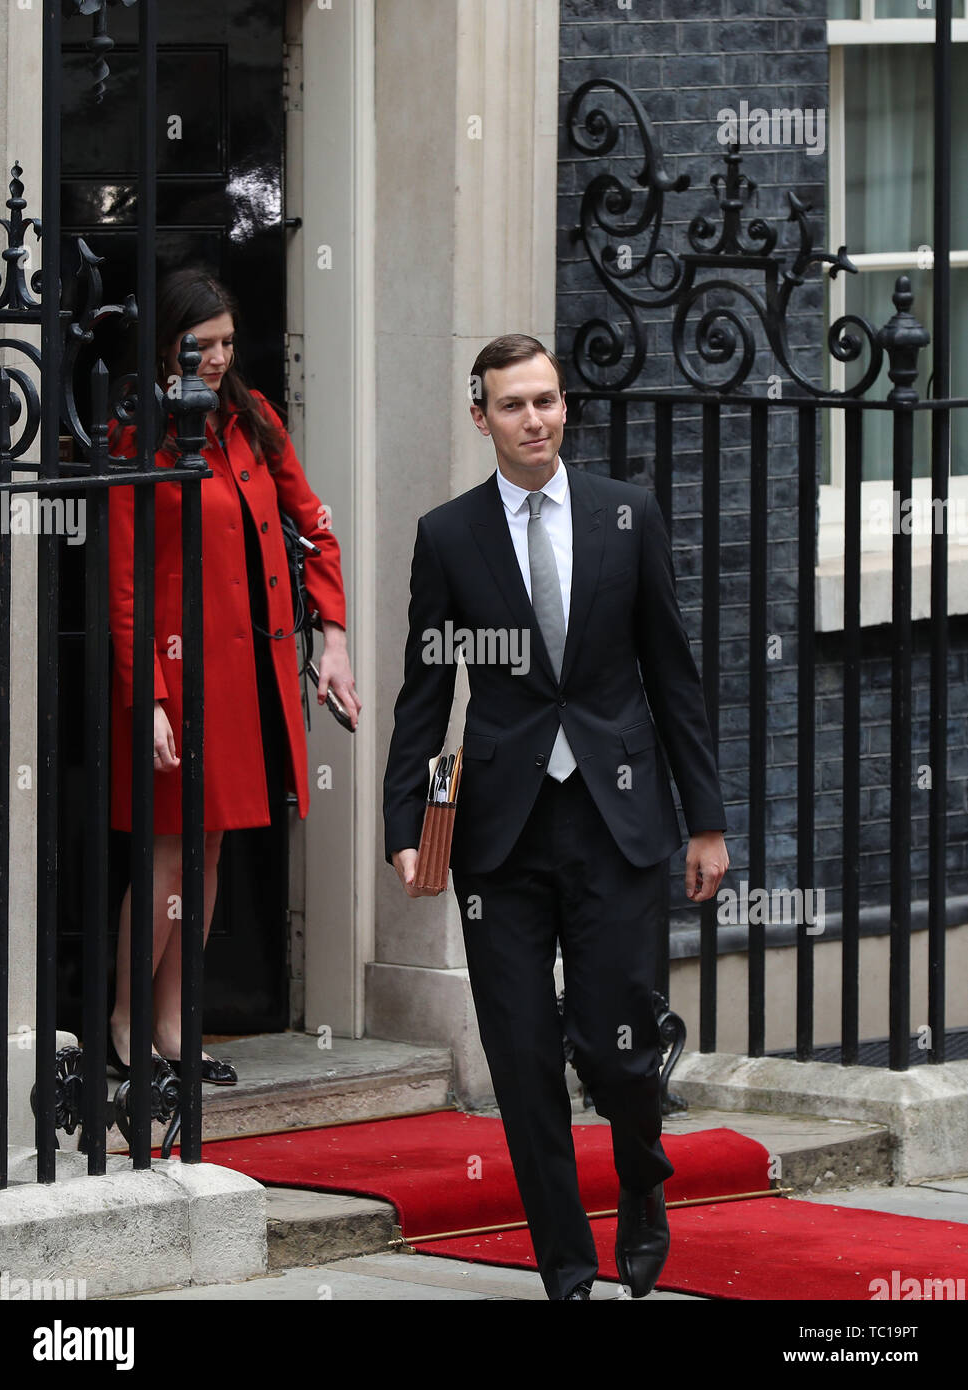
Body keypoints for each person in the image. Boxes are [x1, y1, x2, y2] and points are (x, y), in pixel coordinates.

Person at [383, 334, 728, 1300]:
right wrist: (405, 820)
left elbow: (673, 674)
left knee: (614, 1043)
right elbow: (424, 690)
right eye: (512, 406)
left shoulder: (627, 515)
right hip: (500, 833)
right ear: (479, 417)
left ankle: (642, 1180)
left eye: (546, 401)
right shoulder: (448, 536)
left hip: (619, 823)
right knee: (524, 1054)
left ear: (562, 406)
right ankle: (567, 1266)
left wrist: (705, 820)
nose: (533, 420)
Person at [108, 268, 361, 1085]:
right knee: (166, 855)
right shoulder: (133, 433)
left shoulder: (252, 421)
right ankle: (125, 1020)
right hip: (171, 678)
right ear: (163, 346)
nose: (216, 359)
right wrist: (146, 693)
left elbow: (315, 526)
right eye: (198, 346)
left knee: (207, 851)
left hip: (243, 674)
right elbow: (124, 578)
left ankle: (178, 1023)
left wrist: (333, 635)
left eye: (224, 343)